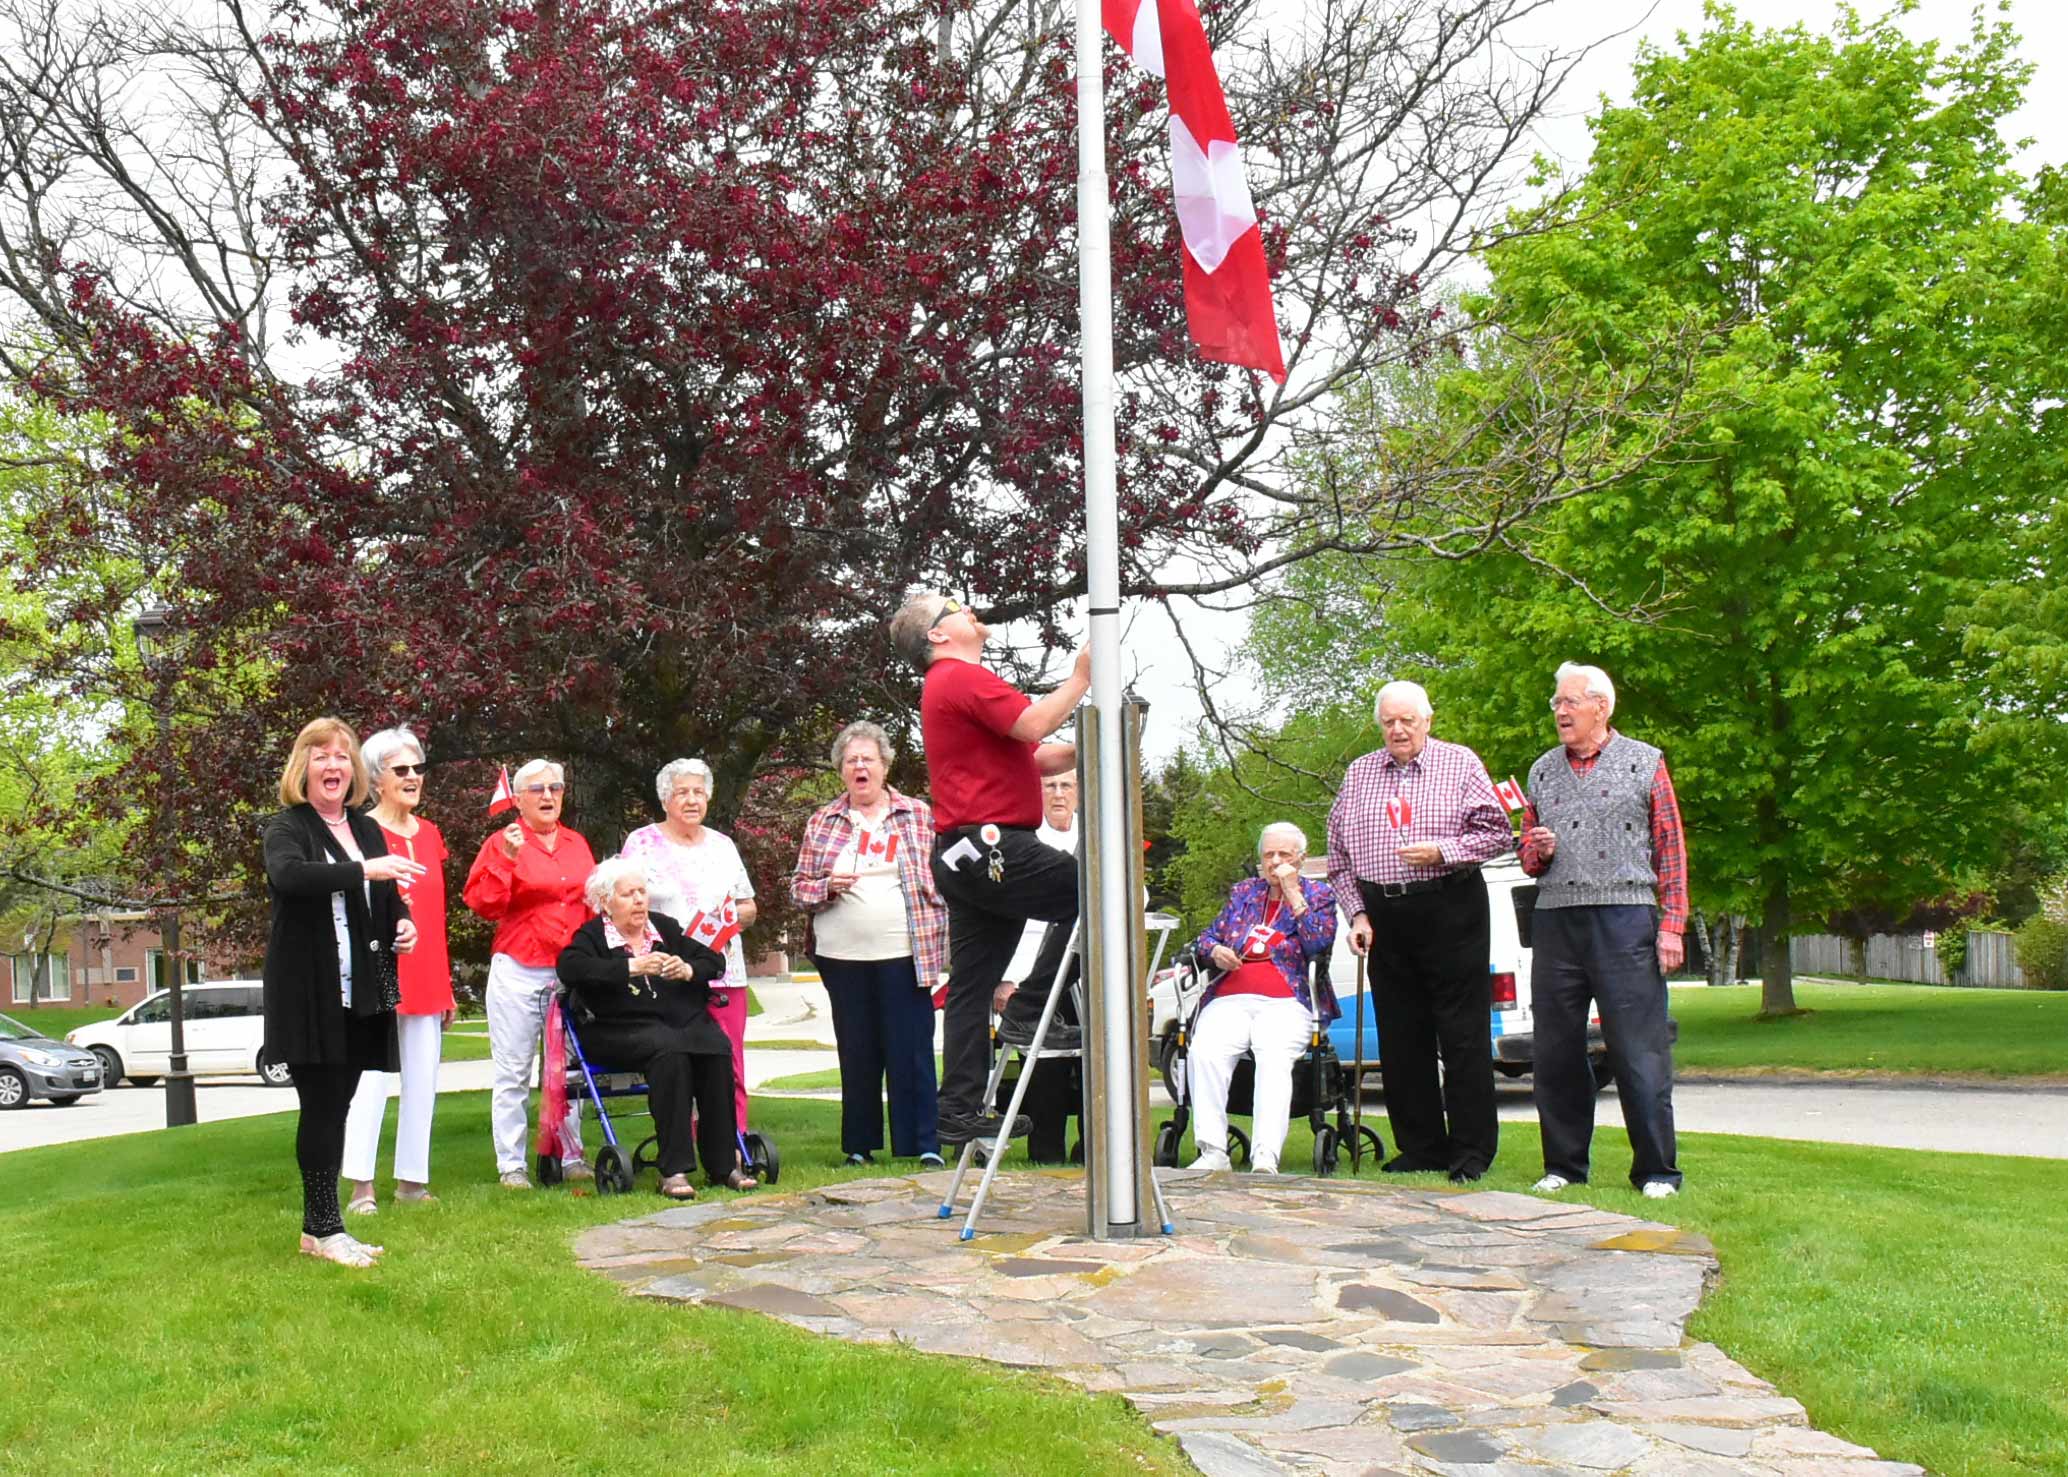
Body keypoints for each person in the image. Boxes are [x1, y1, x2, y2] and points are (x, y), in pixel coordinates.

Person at [888, 591, 1087, 1147]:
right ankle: (1028, 1008)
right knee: (1096, 893)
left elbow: (1036, 754)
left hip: (966, 853)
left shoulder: (948, 687)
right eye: (955, 607)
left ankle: (958, 1108)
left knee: (971, 989)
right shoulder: (960, 676)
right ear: (937, 635)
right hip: (994, 845)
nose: (971, 611)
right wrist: (1081, 679)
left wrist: (1093, 740)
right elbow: (1030, 726)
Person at [1325, 680, 1515, 1183]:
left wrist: (1443, 851)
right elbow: (1339, 859)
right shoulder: (1360, 773)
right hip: (1384, 915)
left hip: (1450, 904)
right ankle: (1421, 1147)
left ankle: (1471, 1152)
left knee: (1461, 1035)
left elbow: (1497, 831)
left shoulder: (1460, 763)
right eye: (1389, 721)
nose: (1398, 729)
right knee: (1401, 1035)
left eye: (1407, 719)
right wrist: (1357, 915)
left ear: (1427, 721)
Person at [261, 717, 425, 1268]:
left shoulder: (366, 827)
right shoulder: (287, 828)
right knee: (324, 1108)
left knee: (341, 1104)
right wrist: (363, 870)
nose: (333, 765)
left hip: (363, 993)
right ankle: (326, 1229)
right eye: (320, 755)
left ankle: (319, 1229)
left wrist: (403, 923)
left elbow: (388, 895)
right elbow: (290, 878)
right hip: (310, 992)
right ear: (302, 767)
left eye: (341, 756)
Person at [1520, 662, 1689, 1198]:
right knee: (1556, 1050)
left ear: (1602, 707)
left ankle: (1657, 1171)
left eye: (1570, 702)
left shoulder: (1646, 762)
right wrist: (1537, 851)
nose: (1560, 711)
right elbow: (1526, 854)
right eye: (1556, 703)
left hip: (1625, 919)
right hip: (1555, 920)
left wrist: (1673, 925)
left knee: (1638, 1049)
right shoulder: (1542, 771)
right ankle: (1564, 1166)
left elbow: (1671, 849)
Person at [789, 721, 945, 1168]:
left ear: (884, 765)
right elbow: (798, 888)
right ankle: (859, 1146)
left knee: (911, 1048)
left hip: (907, 951)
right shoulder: (823, 821)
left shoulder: (918, 814)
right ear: (841, 770)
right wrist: (826, 886)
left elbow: (944, 879)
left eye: (868, 759)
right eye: (852, 760)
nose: (860, 767)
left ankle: (923, 1143)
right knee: (857, 1050)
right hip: (843, 957)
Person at [557, 858, 756, 1197]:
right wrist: (631, 967)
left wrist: (688, 969)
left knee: (715, 1047)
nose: (639, 900)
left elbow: (713, 959)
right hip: (616, 1028)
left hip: (675, 1024)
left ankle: (724, 1166)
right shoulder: (591, 936)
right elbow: (571, 968)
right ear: (605, 902)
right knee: (671, 1052)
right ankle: (674, 1170)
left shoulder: (665, 927)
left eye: (642, 892)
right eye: (628, 894)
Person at [463, 758, 593, 1189]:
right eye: (536, 789)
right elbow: (483, 904)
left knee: (571, 1071)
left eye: (555, 788)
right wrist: (508, 859)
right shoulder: (503, 841)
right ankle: (512, 1165)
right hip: (519, 970)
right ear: (518, 798)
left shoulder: (577, 843)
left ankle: (572, 1154)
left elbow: (591, 903)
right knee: (514, 1071)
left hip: (570, 972)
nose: (547, 796)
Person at [341, 727, 454, 1214]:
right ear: (376, 779)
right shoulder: (362, 831)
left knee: (423, 1080)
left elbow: (437, 913)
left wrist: (448, 986)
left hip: (428, 970)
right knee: (371, 1078)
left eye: (417, 769)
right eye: (401, 770)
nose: (412, 778)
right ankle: (361, 1184)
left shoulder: (430, 833)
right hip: (381, 967)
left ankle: (412, 1180)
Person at [1186, 823, 1337, 1174]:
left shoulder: (1318, 895)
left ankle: (1265, 1156)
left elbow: (1318, 944)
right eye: (1268, 854)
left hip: (1287, 999)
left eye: (1284, 854)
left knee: (1272, 1056)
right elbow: (1205, 938)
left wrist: (1292, 892)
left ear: (1300, 858)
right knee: (1205, 1051)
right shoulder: (1244, 893)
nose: (1275, 861)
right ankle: (1212, 1151)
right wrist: (1217, 950)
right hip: (1231, 995)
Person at [621, 759, 759, 1135]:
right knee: (679, 1063)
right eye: (682, 792)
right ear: (666, 799)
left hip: (724, 972)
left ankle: (734, 1144)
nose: (692, 800)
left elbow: (748, 905)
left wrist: (730, 918)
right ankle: (681, 1146)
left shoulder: (723, 846)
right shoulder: (641, 843)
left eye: (699, 792)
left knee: (729, 1063)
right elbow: (623, 904)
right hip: (669, 975)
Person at [996, 769, 1081, 1164]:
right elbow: (1004, 915)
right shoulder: (1025, 840)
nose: (1059, 794)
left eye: (1067, 785)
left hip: (1085, 968)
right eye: (1051, 785)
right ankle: (1047, 1154)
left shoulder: (1098, 832)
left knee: (1096, 1062)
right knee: (1045, 1068)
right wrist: (1006, 979)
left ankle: (1094, 1150)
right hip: (1031, 972)